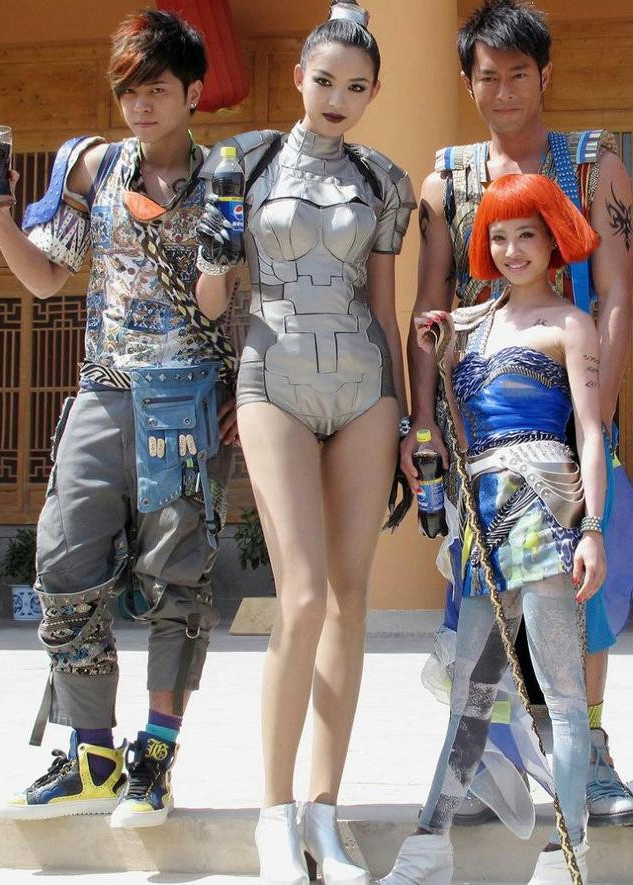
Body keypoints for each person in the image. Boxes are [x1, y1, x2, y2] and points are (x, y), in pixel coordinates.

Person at [0, 10, 238, 828]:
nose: (139, 105)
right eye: (128, 90)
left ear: (193, 93)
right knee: (64, 562)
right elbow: (46, 279)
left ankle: (155, 757)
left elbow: (234, 302)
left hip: (189, 398)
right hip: (102, 391)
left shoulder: (227, 179)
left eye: (156, 89)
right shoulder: (91, 166)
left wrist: (244, 391)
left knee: (179, 579)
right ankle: (91, 752)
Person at [195, 2, 415, 882]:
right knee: (303, 597)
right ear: (298, 77)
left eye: (356, 88)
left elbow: (385, 309)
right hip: (273, 375)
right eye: (324, 80)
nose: (337, 98)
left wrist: (409, 421)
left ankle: (325, 812)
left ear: (372, 95)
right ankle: (273, 814)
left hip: (364, 387)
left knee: (351, 600)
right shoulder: (241, 161)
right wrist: (215, 253)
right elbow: (214, 302)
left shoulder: (384, 178)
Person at [400, 0, 633, 829]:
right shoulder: (448, 180)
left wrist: (592, 414)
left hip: (569, 409)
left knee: (583, 589)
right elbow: (429, 306)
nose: (503, 91)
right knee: (482, 595)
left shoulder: (593, 163)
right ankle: (488, 763)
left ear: (546, 76)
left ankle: (589, 752)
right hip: (482, 430)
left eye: (519, 75)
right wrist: (423, 423)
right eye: (487, 76)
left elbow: (616, 292)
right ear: (467, 82)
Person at [385, 173, 605, 885]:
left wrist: (593, 529)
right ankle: (428, 846)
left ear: (553, 240)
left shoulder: (571, 325)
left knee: (561, 696)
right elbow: (446, 412)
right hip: (481, 518)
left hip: (546, 508)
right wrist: (437, 346)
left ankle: (570, 852)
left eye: (527, 234)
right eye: (499, 236)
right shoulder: (469, 323)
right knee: (471, 693)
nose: (512, 250)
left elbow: (592, 432)